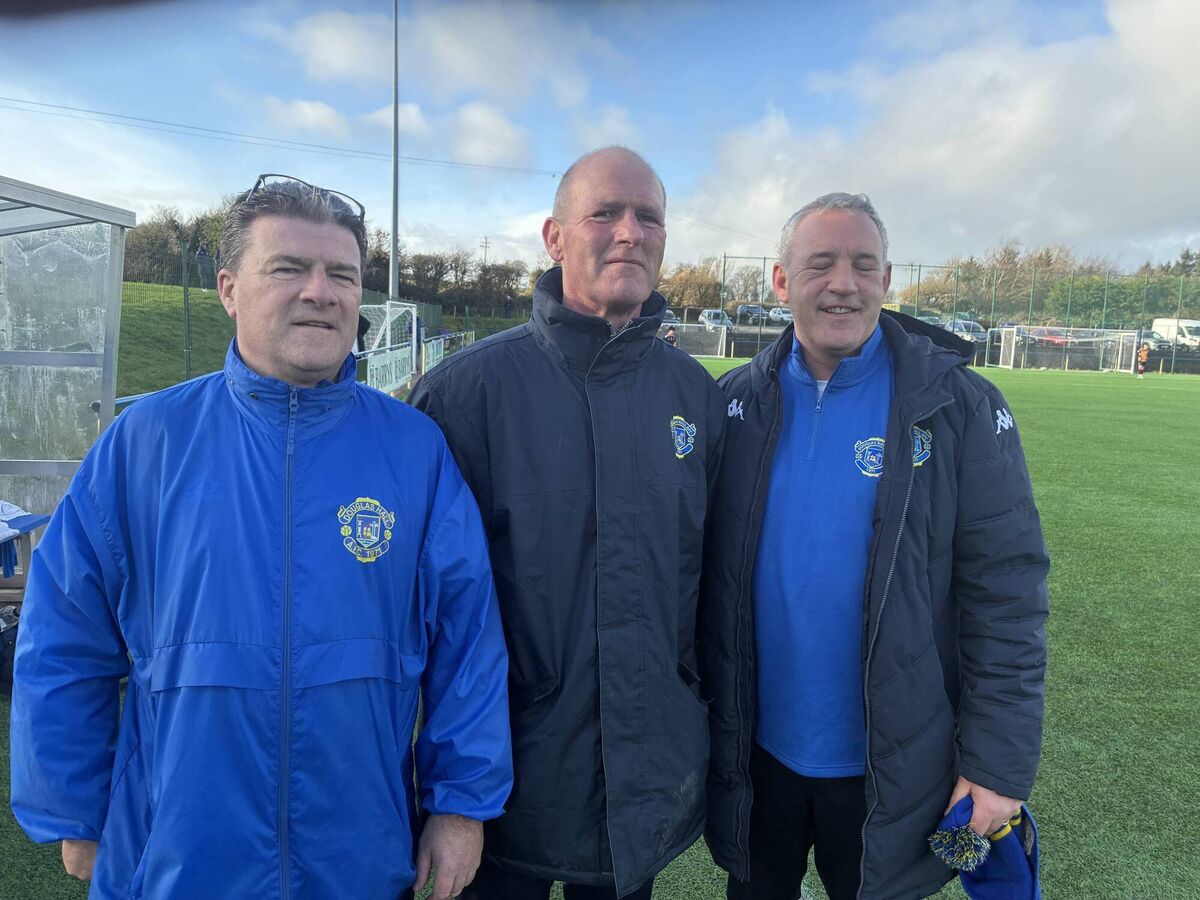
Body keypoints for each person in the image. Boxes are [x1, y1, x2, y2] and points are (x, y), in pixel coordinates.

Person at [9, 175, 513, 900]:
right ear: (228, 289)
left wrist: (461, 806)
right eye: (288, 268)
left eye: (342, 274)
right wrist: (73, 807)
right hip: (177, 857)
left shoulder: (414, 450)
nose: (321, 291)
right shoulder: (145, 443)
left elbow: (468, 644)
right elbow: (62, 637)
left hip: (359, 859)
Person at [701, 192, 1049, 899]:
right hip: (754, 759)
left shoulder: (962, 408)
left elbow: (1008, 597)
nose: (843, 283)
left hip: (892, 770)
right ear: (780, 281)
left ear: (887, 281)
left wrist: (997, 766)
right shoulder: (734, 403)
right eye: (821, 263)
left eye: (864, 265)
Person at [410, 147, 727, 900]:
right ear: (554, 238)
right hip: (502, 793)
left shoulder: (697, 397)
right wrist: (453, 792)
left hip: (639, 789)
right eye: (604, 214)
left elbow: (709, 585)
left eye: (648, 217)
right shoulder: (463, 394)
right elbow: (418, 615)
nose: (629, 233)